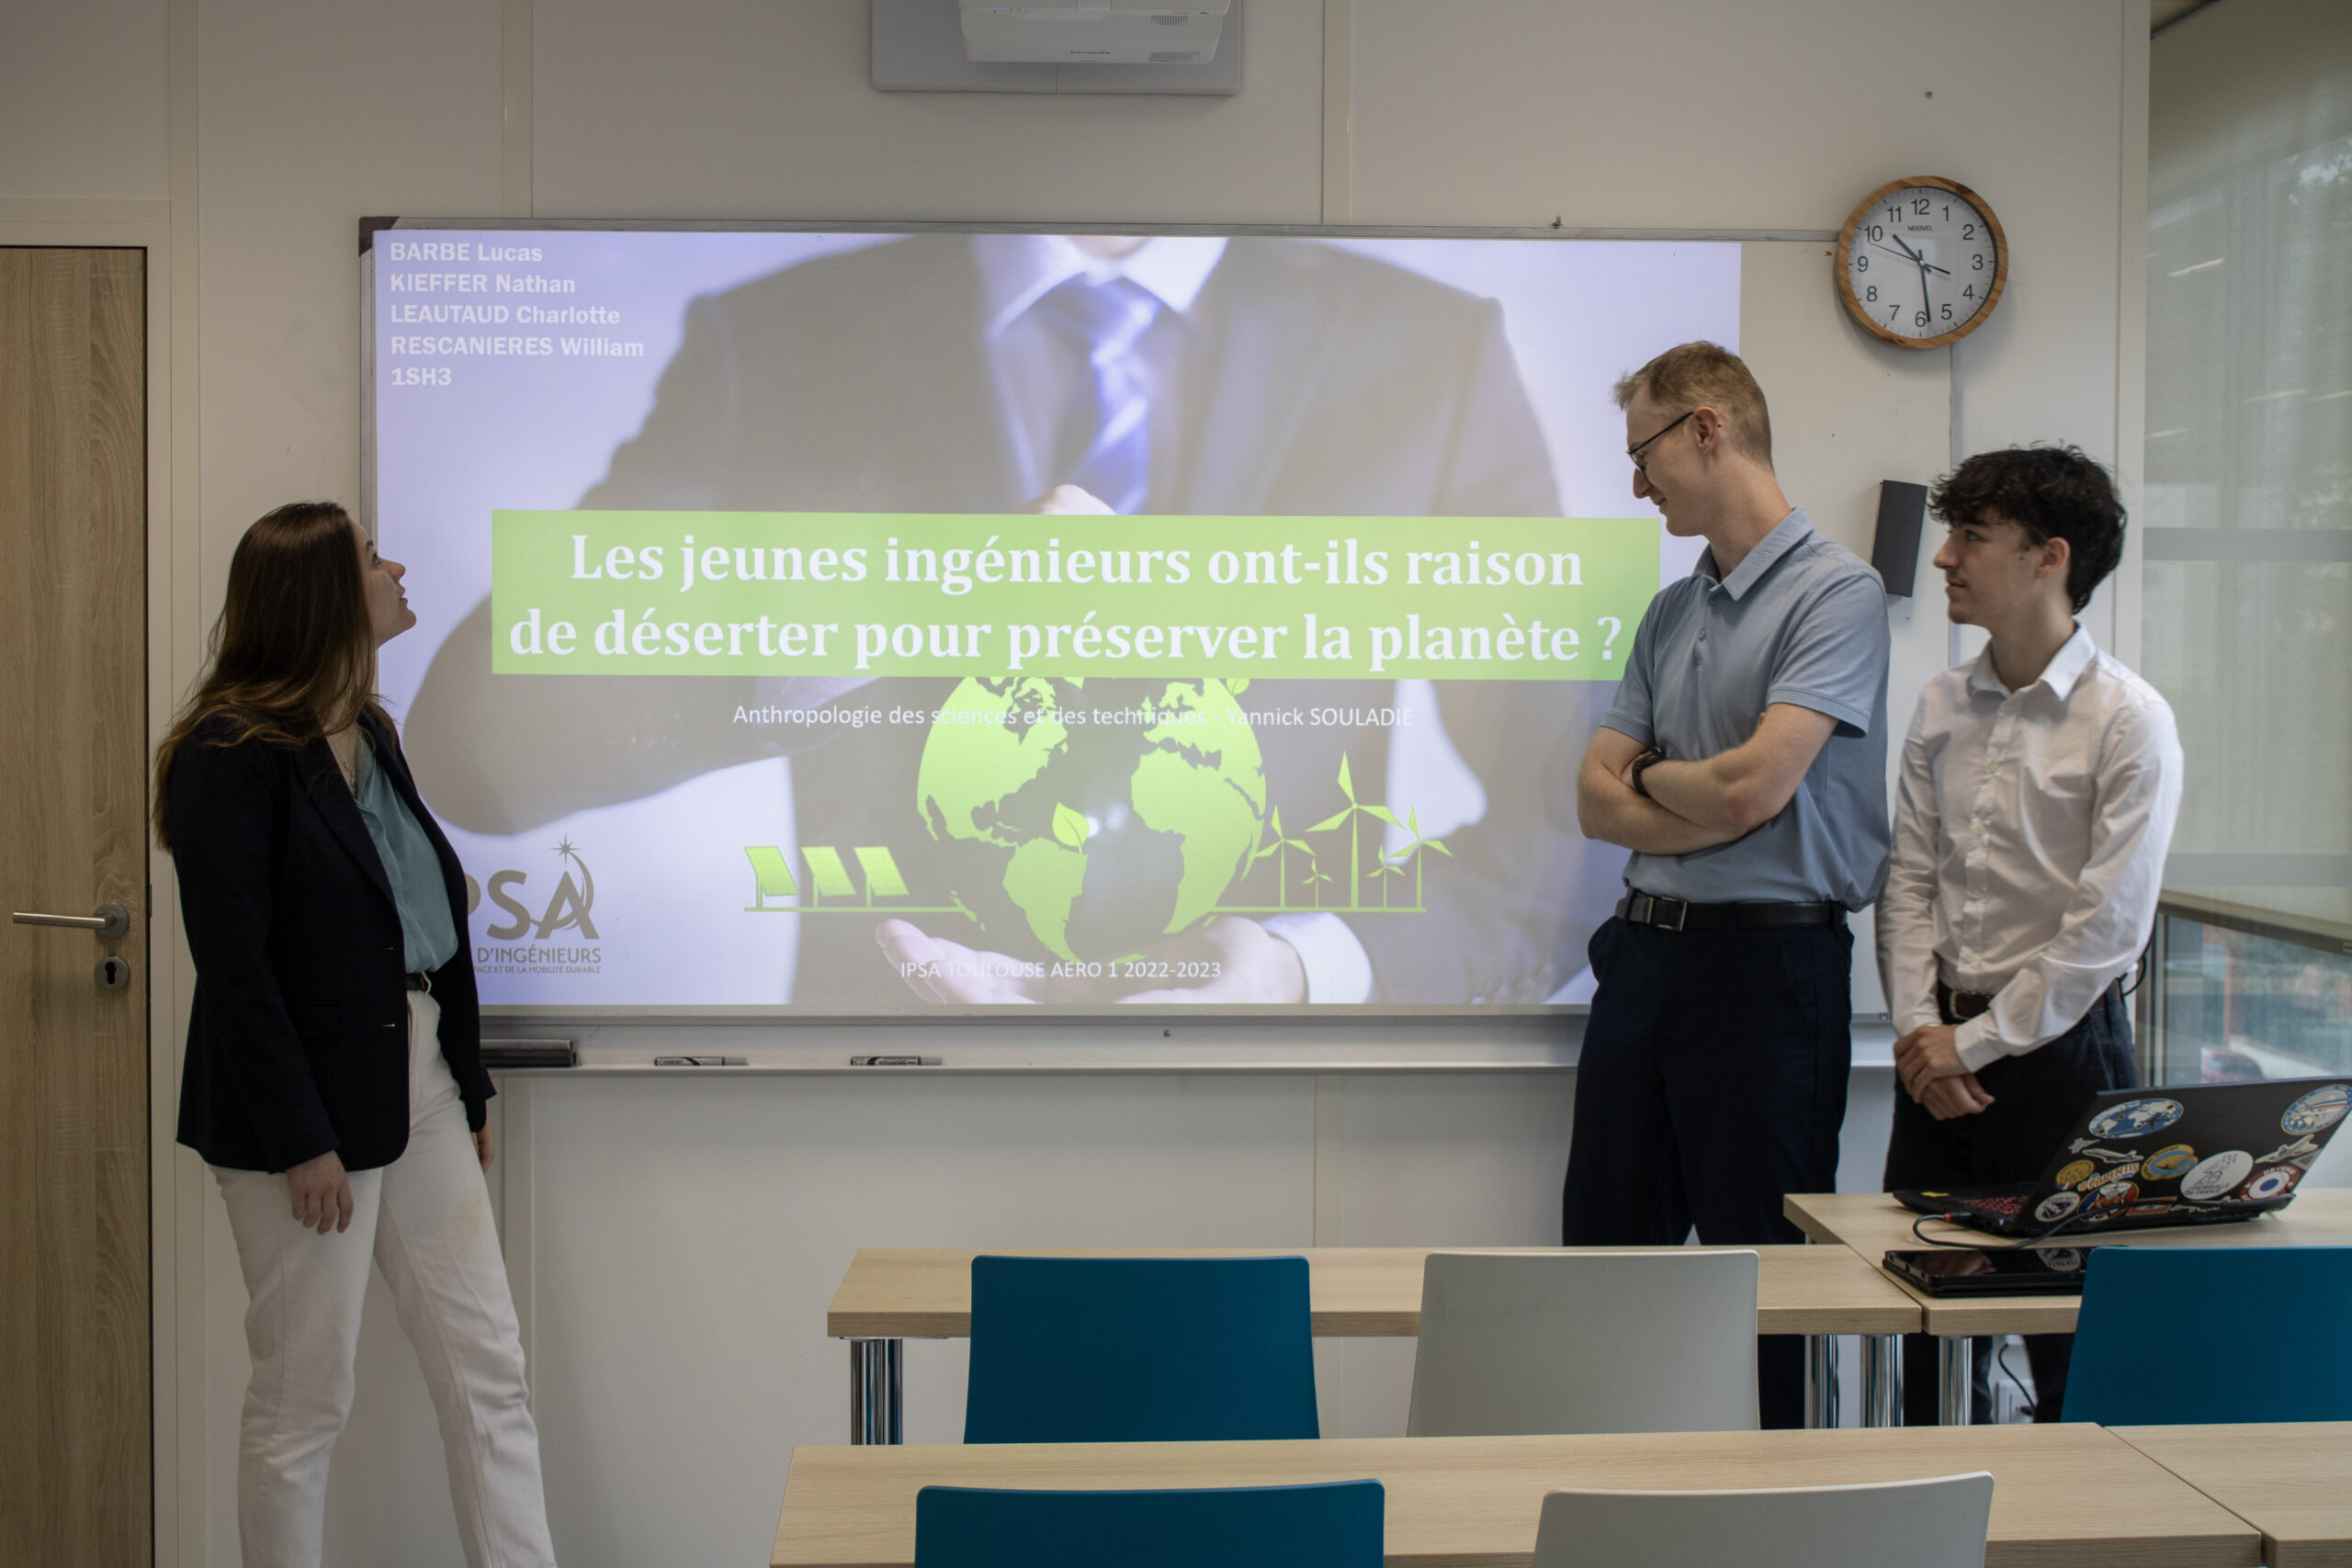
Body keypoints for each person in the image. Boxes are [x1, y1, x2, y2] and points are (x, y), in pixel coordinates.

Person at [404, 232, 1623, 1009]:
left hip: (1288, 1106)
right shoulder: (770, 340)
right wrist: (916, 598)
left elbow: (1580, 820)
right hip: (867, 1093)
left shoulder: (1431, 351)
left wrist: (1316, 966)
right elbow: (479, 738)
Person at [158, 502, 557, 1567]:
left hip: (414, 1076)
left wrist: (465, 1083)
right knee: (304, 1402)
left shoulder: (370, 732)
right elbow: (236, 971)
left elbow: (423, 915)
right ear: (323, 597)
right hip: (300, 1113)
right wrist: (303, 1141)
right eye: (375, 559)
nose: (398, 569)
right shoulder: (227, 754)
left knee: (488, 1373)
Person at [1562, 342, 1892, 1429]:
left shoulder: (1836, 593)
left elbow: (1755, 787)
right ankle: (1605, 1497)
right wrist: (1693, 794)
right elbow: (1591, 800)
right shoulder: (1671, 612)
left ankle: (1781, 1506)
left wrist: (1655, 776)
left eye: (1642, 454)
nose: (1636, 484)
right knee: (1602, 1265)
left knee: (1769, 1288)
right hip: (1644, 960)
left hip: (1769, 973)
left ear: (1706, 428)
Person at [1878, 446, 2183, 1424]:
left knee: (2069, 1347)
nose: (1945, 558)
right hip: (1936, 1055)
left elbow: (2106, 931)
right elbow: (1909, 882)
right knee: (1921, 1339)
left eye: (1973, 536)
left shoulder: (2129, 720)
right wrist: (1921, 1033)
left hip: (2063, 1058)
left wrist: (1968, 1044)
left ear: (2050, 558)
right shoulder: (1940, 701)